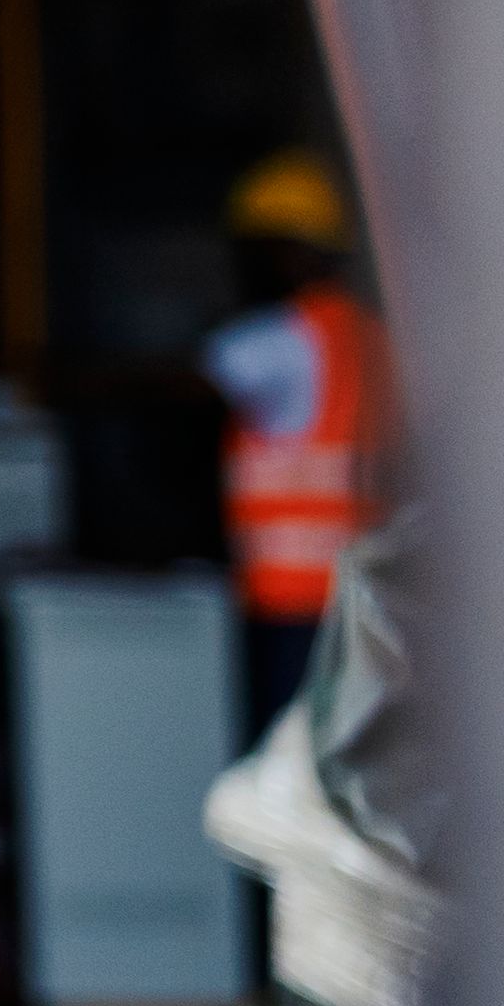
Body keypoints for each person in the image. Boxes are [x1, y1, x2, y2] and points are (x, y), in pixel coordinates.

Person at [202, 148, 384, 735]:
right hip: (370, 596)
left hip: (293, 602)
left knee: (287, 770)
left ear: (289, 250)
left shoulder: (272, 344)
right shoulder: (373, 339)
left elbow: (217, 363)